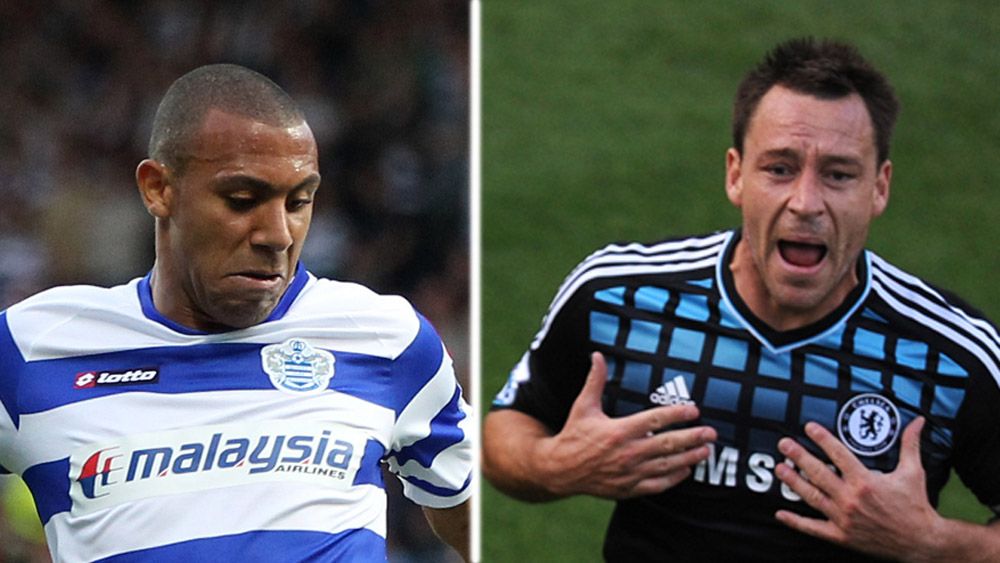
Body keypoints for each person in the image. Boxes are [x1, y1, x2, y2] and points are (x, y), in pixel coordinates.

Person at [482, 37, 1000, 562]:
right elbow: (507, 426)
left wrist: (933, 542)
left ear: (879, 188)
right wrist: (555, 465)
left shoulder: (952, 356)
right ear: (736, 175)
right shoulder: (619, 298)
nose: (805, 203)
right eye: (780, 168)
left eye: (839, 175)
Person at [0, 64, 472, 562]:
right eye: (243, 200)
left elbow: (476, 521)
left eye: (299, 202)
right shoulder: (33, 350)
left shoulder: (386, 339)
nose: (278, 235)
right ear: (158, 188)